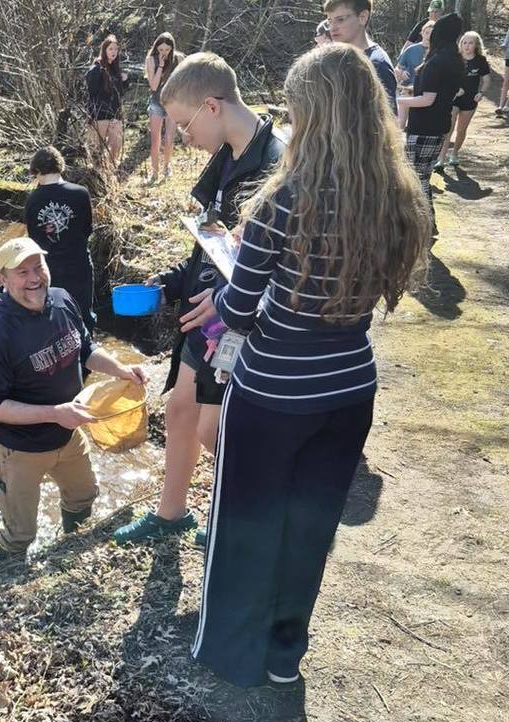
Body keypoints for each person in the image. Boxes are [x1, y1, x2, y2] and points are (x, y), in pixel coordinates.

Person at [191, 43, 429, 688]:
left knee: (246, 520)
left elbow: (238, 311)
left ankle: (231, 656)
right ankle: (283, 660)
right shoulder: (398, 194)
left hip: (272, 391)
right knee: (309, 528)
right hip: (351, 386)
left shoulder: (283, 198)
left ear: (315, 113)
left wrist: (239, 258)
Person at [114, 52, 284, 545]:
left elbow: (279, 266)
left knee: (217, 432)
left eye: (184, 124)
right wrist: (172, 282)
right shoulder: (228, 155)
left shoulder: (273, 165)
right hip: (204, 310)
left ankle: (242, 520)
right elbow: (212, 240)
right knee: (181, 408)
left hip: (235, 321)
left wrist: (230, 298)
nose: (183, 138)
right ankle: (171, 515)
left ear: (211, 107)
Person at [0, 237, 148, 562]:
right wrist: (55, 412)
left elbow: (85, 349)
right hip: (19, 449)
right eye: (22, 272)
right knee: (20, 533)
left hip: (67, 433)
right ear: (3, 279)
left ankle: (70, 552)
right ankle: (8, 588)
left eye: (38, 266)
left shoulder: (62, 299)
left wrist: (122, 370)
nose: (34, 277)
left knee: (83, 496)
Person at [398, 13, 464, 228]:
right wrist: (410, 90)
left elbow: (428, 99)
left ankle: (425, 225)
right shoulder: (454, 59)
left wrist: (401, 100)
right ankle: (426, 225)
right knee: (421, 178)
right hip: (437, 126)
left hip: (425, 128)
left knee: (417, 179)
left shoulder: (437, 62)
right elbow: (441, 92)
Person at [23, 147, 96, 335]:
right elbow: (87, 229)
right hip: (79, 264)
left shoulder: (32, 200)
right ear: (60, 167)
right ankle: (87, 359)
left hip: (49, 269)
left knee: (53, 317)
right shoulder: (80, 193)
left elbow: (33, 240)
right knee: (83, 315)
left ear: (36, 171)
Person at [324, 0, 398, 113]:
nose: (332, 28)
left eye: (340, 19)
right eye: (329, 20)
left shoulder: (377, 64)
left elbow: (388, 122)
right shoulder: (336, 59)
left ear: (362, 17)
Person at [437, 31, 491, 168]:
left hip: (470, 100)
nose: (467, 46)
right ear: (460, 44)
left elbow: (486, 80)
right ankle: (441, 160)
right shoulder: (455, 58)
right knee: (448, 128)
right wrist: (454, 89)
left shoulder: (480, 61)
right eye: (464, 42)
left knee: (461, 130)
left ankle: (454, 154)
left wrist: (481, 93)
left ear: (476, 45)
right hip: (454, 99)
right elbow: (445, 78)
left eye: (470, 43)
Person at [144, 32, 183, 183]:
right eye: (161, 50)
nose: (164, 53)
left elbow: (183, 81)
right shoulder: (151, 60)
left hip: (172, 103)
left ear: (172, 48)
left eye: (167, 50)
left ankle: (167, 166)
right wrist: (160, 65)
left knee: (169, 139)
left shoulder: (178, 58)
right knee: (155, 140)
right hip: (156, 103)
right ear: (156, 48)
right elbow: (153, 86)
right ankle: (154, 172)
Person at [86, 34, 129, 166]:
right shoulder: (96, 69)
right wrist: (92, 115)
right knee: (95, 150)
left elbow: (120, 93)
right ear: (104, 50)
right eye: (111, 49)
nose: (114, 52)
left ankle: (110, 173)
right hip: (99, 116)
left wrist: (125, 81)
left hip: (115, 116)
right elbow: (90, 92)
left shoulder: (116, 69)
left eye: (116, 49)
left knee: (116, 147)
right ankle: (97, 175)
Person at [396, 21, 435, 129]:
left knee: (420, 124)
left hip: (427, 92)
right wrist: (401, 73)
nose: (429, 36)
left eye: (432, 33)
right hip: (408, 89)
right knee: (401, 122)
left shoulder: (437, 52)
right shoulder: (411, 49)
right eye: (427, 33)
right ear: (422, 33)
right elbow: (398, 67)